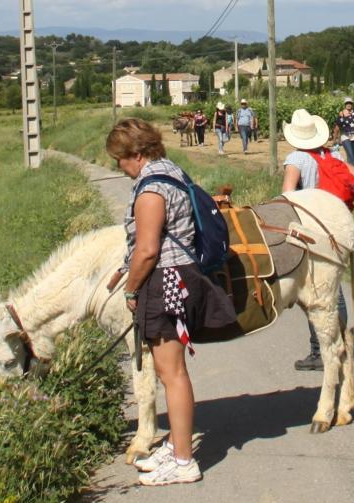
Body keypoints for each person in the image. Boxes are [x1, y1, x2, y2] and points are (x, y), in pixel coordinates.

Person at [105, 118, 236, 485]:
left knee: (172, 374)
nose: (119, 166)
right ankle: (177, 446)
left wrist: (131, 289)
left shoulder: (150, 191)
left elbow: (147, 250)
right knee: (170, 372)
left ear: (136, 153)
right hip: (182, 276)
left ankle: (183, 461)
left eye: (120, 159)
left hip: (164, 282)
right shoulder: (173, 172)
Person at [281, 109, 354, 370]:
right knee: (334, 288)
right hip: (335, 225)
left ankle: (322, 349)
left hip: (311, 226)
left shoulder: (296, 158)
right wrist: (341, 206)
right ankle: (336, 341)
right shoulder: (333, 154)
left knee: (315, 291)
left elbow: (287, 194)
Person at [333, 97, 354, 167]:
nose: (348, 104)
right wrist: (334, 139)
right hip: (345, 136)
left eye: (350, 103)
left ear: (352, 104)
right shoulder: (341, 114)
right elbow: (337, 127)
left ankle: (349, 169)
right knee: (350, 154)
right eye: (347, 103)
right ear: (345, 104)